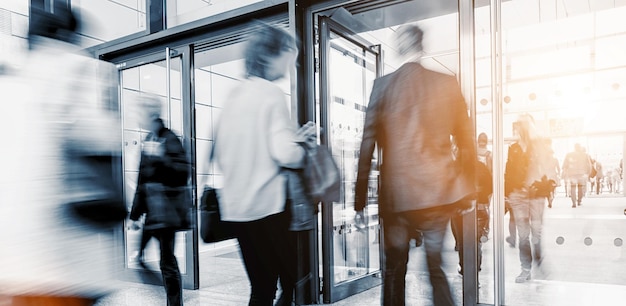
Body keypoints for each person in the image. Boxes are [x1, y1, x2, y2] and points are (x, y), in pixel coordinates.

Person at [0, 4, 121, 305]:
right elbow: (99, 146)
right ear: (69, 35)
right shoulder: (77, 70)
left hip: (12, 269)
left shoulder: (9, 86)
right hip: (66, 269)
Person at [354, 24, 475, 306]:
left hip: (397, 198)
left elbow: (366, 145)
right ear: (423, 47)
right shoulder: (446, 83)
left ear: (399, 47)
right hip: (438, 193)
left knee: (394, 270)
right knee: (436, 267)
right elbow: (466, 141)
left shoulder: (382, 87)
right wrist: (468, 190)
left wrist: (360, 201)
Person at [213, 24, 316, 306]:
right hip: (268, 208)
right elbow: (285, 155)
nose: (293, 62)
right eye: (290, 54)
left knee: (261, 287)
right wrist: (304, 149)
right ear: (275, 54)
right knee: (294, 281)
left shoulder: (234, 96)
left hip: (238, 209)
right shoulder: (270, 94)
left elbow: (225, 153)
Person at [129, 95, 190, 306]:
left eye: (141, 113)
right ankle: (169, 297)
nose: (138, 117)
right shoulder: (148, 139)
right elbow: (142, 179)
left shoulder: (170, 138)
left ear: (153, 114)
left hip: (166, 213)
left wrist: (162, 157)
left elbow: (183, 173)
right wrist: (135, 215)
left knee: (167, 262)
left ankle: (174, 303)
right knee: (141, 258)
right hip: (152, 213)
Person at [504, 114, 556, 283]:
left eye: (525, 124)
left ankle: (539, 258)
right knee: (524, 235)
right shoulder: (513, 148)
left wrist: (546, 186)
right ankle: (525, 268)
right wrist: (507, 193)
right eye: (520, 124)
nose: (522, 128)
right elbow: (509, 170)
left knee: (536, 232)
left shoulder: (539, 146)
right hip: (518, 195)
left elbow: (547, 168)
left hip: (535, 194)